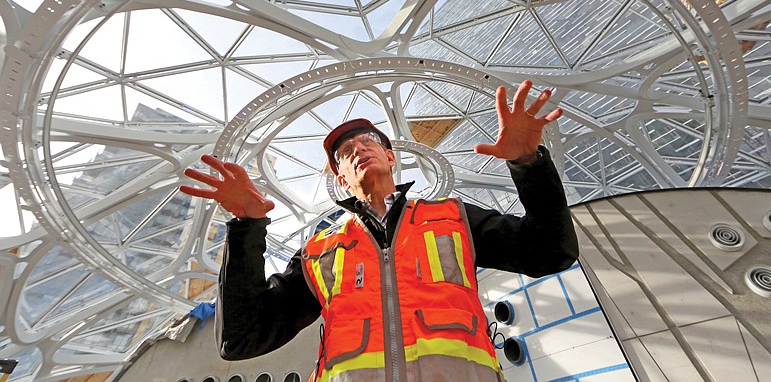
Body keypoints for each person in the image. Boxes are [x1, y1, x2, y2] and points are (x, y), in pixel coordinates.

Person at [180, 80, 578, 382]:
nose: (358, 148)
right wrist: (246, 227)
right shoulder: (321, 250)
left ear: (390, 156)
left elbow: (550, 251)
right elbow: (242, 337)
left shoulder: (452, 217)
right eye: (344, 152)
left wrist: (530, 164)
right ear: (341, 178)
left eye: (368, 140)